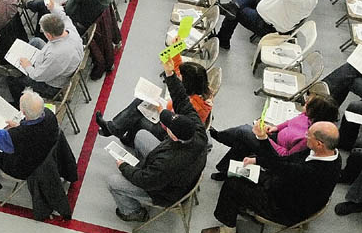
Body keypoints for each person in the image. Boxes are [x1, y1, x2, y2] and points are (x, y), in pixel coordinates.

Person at [200, 122, 341, 233]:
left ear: (319, 143)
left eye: (308, 135)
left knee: (232, 184)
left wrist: (262, 139)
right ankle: (245, 204)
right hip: (289, 189)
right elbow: (285, 161)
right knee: (248, 173)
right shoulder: (331, 153)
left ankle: (228, 230)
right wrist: (257, 161)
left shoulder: (312, 171)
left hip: (286, 208)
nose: (305, 137)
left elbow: (282, 168)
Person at [105, 57, 208, 222]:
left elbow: (145, 180)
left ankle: (132, 212)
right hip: (178, 172)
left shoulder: (169, 162)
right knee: (141, 136)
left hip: (165, 191)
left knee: (113, 181)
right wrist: (169, 74)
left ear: (173, 135)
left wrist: (123, 166)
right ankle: (142, 166)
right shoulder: (197, 130)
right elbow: (182, 100)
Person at [210, 93, 339, 181]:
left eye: (308, 105)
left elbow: (285, 156)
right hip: (275, 137)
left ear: (315, 112)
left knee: (244, 131)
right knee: (244, 141)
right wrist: (276, 128)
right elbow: (291, 122)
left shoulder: (310, 136)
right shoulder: (307, 116)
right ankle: (225, 169)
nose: (304, 104)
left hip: (275, 151)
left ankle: (220, 137)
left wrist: (264, 138)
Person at [96, 61, 212, 146]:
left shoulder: (194, 106)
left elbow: (175, 124)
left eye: (180, 77)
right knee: (141, 103)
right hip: (170, 114)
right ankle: (115, 130)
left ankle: (117, 131)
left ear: (188, 83)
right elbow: (178, 69)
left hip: (169, 132)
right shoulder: (202, 91)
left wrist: (161, 109)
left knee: (140, 115)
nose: (178, 77)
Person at [0, 88, 60, 191]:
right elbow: (34, 130)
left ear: (23, 112)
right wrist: (19, 125)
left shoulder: (15, 136)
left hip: (22, 168)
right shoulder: (49, 114)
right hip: (44, 153)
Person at [6, 0, 83, 102]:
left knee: (12, 79)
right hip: (63, 63)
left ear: (49, 35)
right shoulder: (70, 29)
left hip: (53, 85)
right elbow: (63, 16)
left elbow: (37, 76)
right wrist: (53, 8)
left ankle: (20, 103)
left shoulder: (55, 55)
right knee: (36, 41)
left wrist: (27, 66)